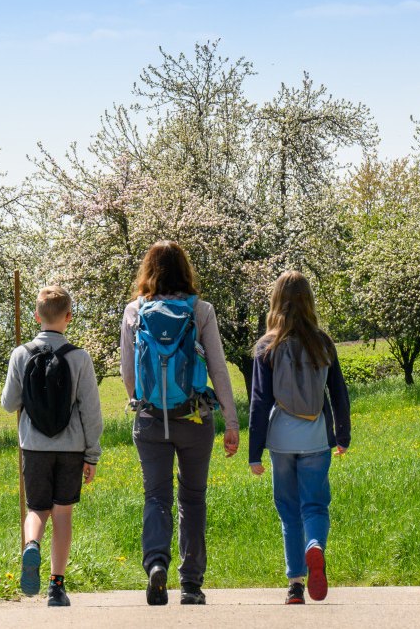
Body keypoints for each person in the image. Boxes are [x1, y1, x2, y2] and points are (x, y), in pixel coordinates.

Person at [121, 240, 240, 606]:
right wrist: (232, 421)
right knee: (192, 498)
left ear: (148, 271)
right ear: (186, 270)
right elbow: (218, 368)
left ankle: (156, 563)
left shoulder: (133, 311)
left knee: (156, 496)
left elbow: (128, 371)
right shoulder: (201, 310)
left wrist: (143, 404)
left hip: (151, 419)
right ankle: (191, 583)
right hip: (194, 418)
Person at [248, 270, 351, 605]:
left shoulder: (267, 346)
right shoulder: (323, 343)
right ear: (310, 302)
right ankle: (315, 546)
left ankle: (295, 584)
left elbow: (260, 401)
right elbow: (338, 393)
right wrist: (342, 435)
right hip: (316, 437)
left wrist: (254, 452)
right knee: (315, 505)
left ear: (276, 302)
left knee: (288, 510)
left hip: (280, 438)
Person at [1, 285, 103, 607]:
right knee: (63, 513)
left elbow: (8, 403)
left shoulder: (21, 354)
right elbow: (91, 412)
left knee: (36, 510)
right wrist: (92, 454)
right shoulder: (80, 358)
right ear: (69, 317)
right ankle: (56, 587)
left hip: (33, 446)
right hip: (71, 448)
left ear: (36, 316)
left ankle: (31, 545)